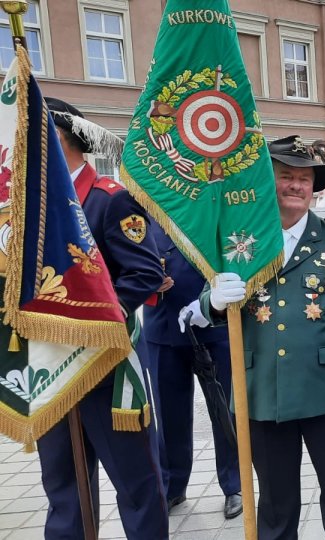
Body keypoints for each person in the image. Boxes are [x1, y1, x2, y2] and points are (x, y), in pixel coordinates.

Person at [198, 135, 325, 540]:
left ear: (314, 188)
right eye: (286, 176)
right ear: (268, 181)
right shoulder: (237, 240)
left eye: (304, 179)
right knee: (276, 502)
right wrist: (214, 300)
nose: (296, 186)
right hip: (263, 389)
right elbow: (206, 303)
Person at [38, 97, 168, 538]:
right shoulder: (28, 207)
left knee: (136, 482)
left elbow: (146, 272)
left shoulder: (108, 200)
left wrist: (92, 321)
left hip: (106, 368)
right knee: (62, 484)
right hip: (49, 367)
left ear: (58, 140)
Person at [142, 229, 242, 518]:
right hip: (162, 326)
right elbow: (124, 263)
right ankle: (173, 486)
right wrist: (147, 283)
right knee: (168, 413)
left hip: (216, 326)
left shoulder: (212, 210)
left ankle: (234, 485)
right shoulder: (144, 212)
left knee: (226, 411)